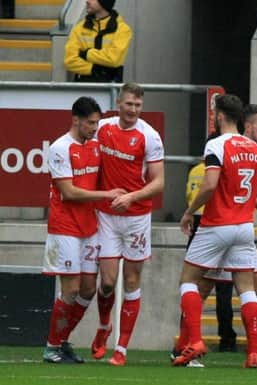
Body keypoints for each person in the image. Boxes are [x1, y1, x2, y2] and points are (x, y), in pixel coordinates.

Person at [172, 104, 257, 367]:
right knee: (247, 289)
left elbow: (210, 184)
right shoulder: (253, 150)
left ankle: (194, 342)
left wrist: (190, 211)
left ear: (220, 116)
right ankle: (253, 354)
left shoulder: (216, 145)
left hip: (217, 224)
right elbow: (250, 192)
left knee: (188, 282)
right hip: (244, 227)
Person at [42, 97, 125, 363]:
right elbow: (68, 192)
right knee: (71, 289)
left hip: (89, 227)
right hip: (65, 227)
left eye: (97, 123)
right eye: (90, 122)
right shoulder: (59, 148)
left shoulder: (95, 146)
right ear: (75, 119)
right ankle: (52, 347)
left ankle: (62, 339)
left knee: (89, 289)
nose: (94, 127)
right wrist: (106, 194)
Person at [91, 82, 165, 366]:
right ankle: (103, 325)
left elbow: (159, 182)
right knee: (107, 282)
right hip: (106, 215)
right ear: (118, 103)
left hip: (136, 218)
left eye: (138, 105)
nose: (133, 110)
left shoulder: (150, 136)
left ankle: (121, 348)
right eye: (129, 104)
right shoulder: (103, 128)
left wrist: (132, 197)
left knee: (132, 280)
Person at [185, 158, 238, 353]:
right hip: (216, 223)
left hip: (196, 225)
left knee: (192, 284)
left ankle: (188, 337)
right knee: (223, 288)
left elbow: (189, 195)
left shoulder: (195, 171)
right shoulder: (222, 172)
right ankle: (227, 339)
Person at [64, 0, 132, 82]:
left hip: (111, 86)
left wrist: (86, 54)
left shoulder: (122, 29)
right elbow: (69, 61)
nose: (87, 1)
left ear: (104, 2)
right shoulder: (80, 28)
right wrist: (94, 69)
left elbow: (114, 59)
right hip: (83, 84)